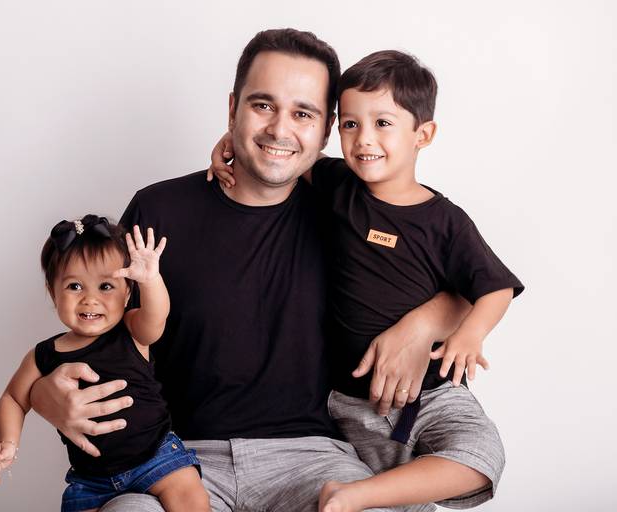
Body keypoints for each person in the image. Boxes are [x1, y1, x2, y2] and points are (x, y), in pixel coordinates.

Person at [30, 30, 470, 512]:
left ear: (327, 131)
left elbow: (465, 277)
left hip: (314, 459)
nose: (279, 129)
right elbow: (100, 322)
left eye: (303, 114)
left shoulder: (351, 212)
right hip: (175, 460)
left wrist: (422, 324)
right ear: (232, 109)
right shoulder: (159, 209)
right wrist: (39, 391)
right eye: (263, 106)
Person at [210, 50, 524, 511]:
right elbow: (283, 150)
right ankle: (352, 495)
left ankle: (349, 495)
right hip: (351, 405)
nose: (363, 140)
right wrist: (232, 140)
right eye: (350, 124)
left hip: (430, 393)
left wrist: (470, 335)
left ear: (423, 135)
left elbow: (496, 286)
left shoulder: (445, 222)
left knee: (480, 457)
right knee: (398, 501)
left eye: (382, 124)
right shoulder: (339, 185)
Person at [0, 215, 209, 512]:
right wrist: (8, 442)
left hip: (156, 456)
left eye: (105, 286)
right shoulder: (43, 355)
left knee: (192, 499)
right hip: (91, 480)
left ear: (127, 293)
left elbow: (157, 316)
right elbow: (13, 398)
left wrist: (150, 279)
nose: (90, 299)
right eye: (75, 286)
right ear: (52, 291)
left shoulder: (132, 330)